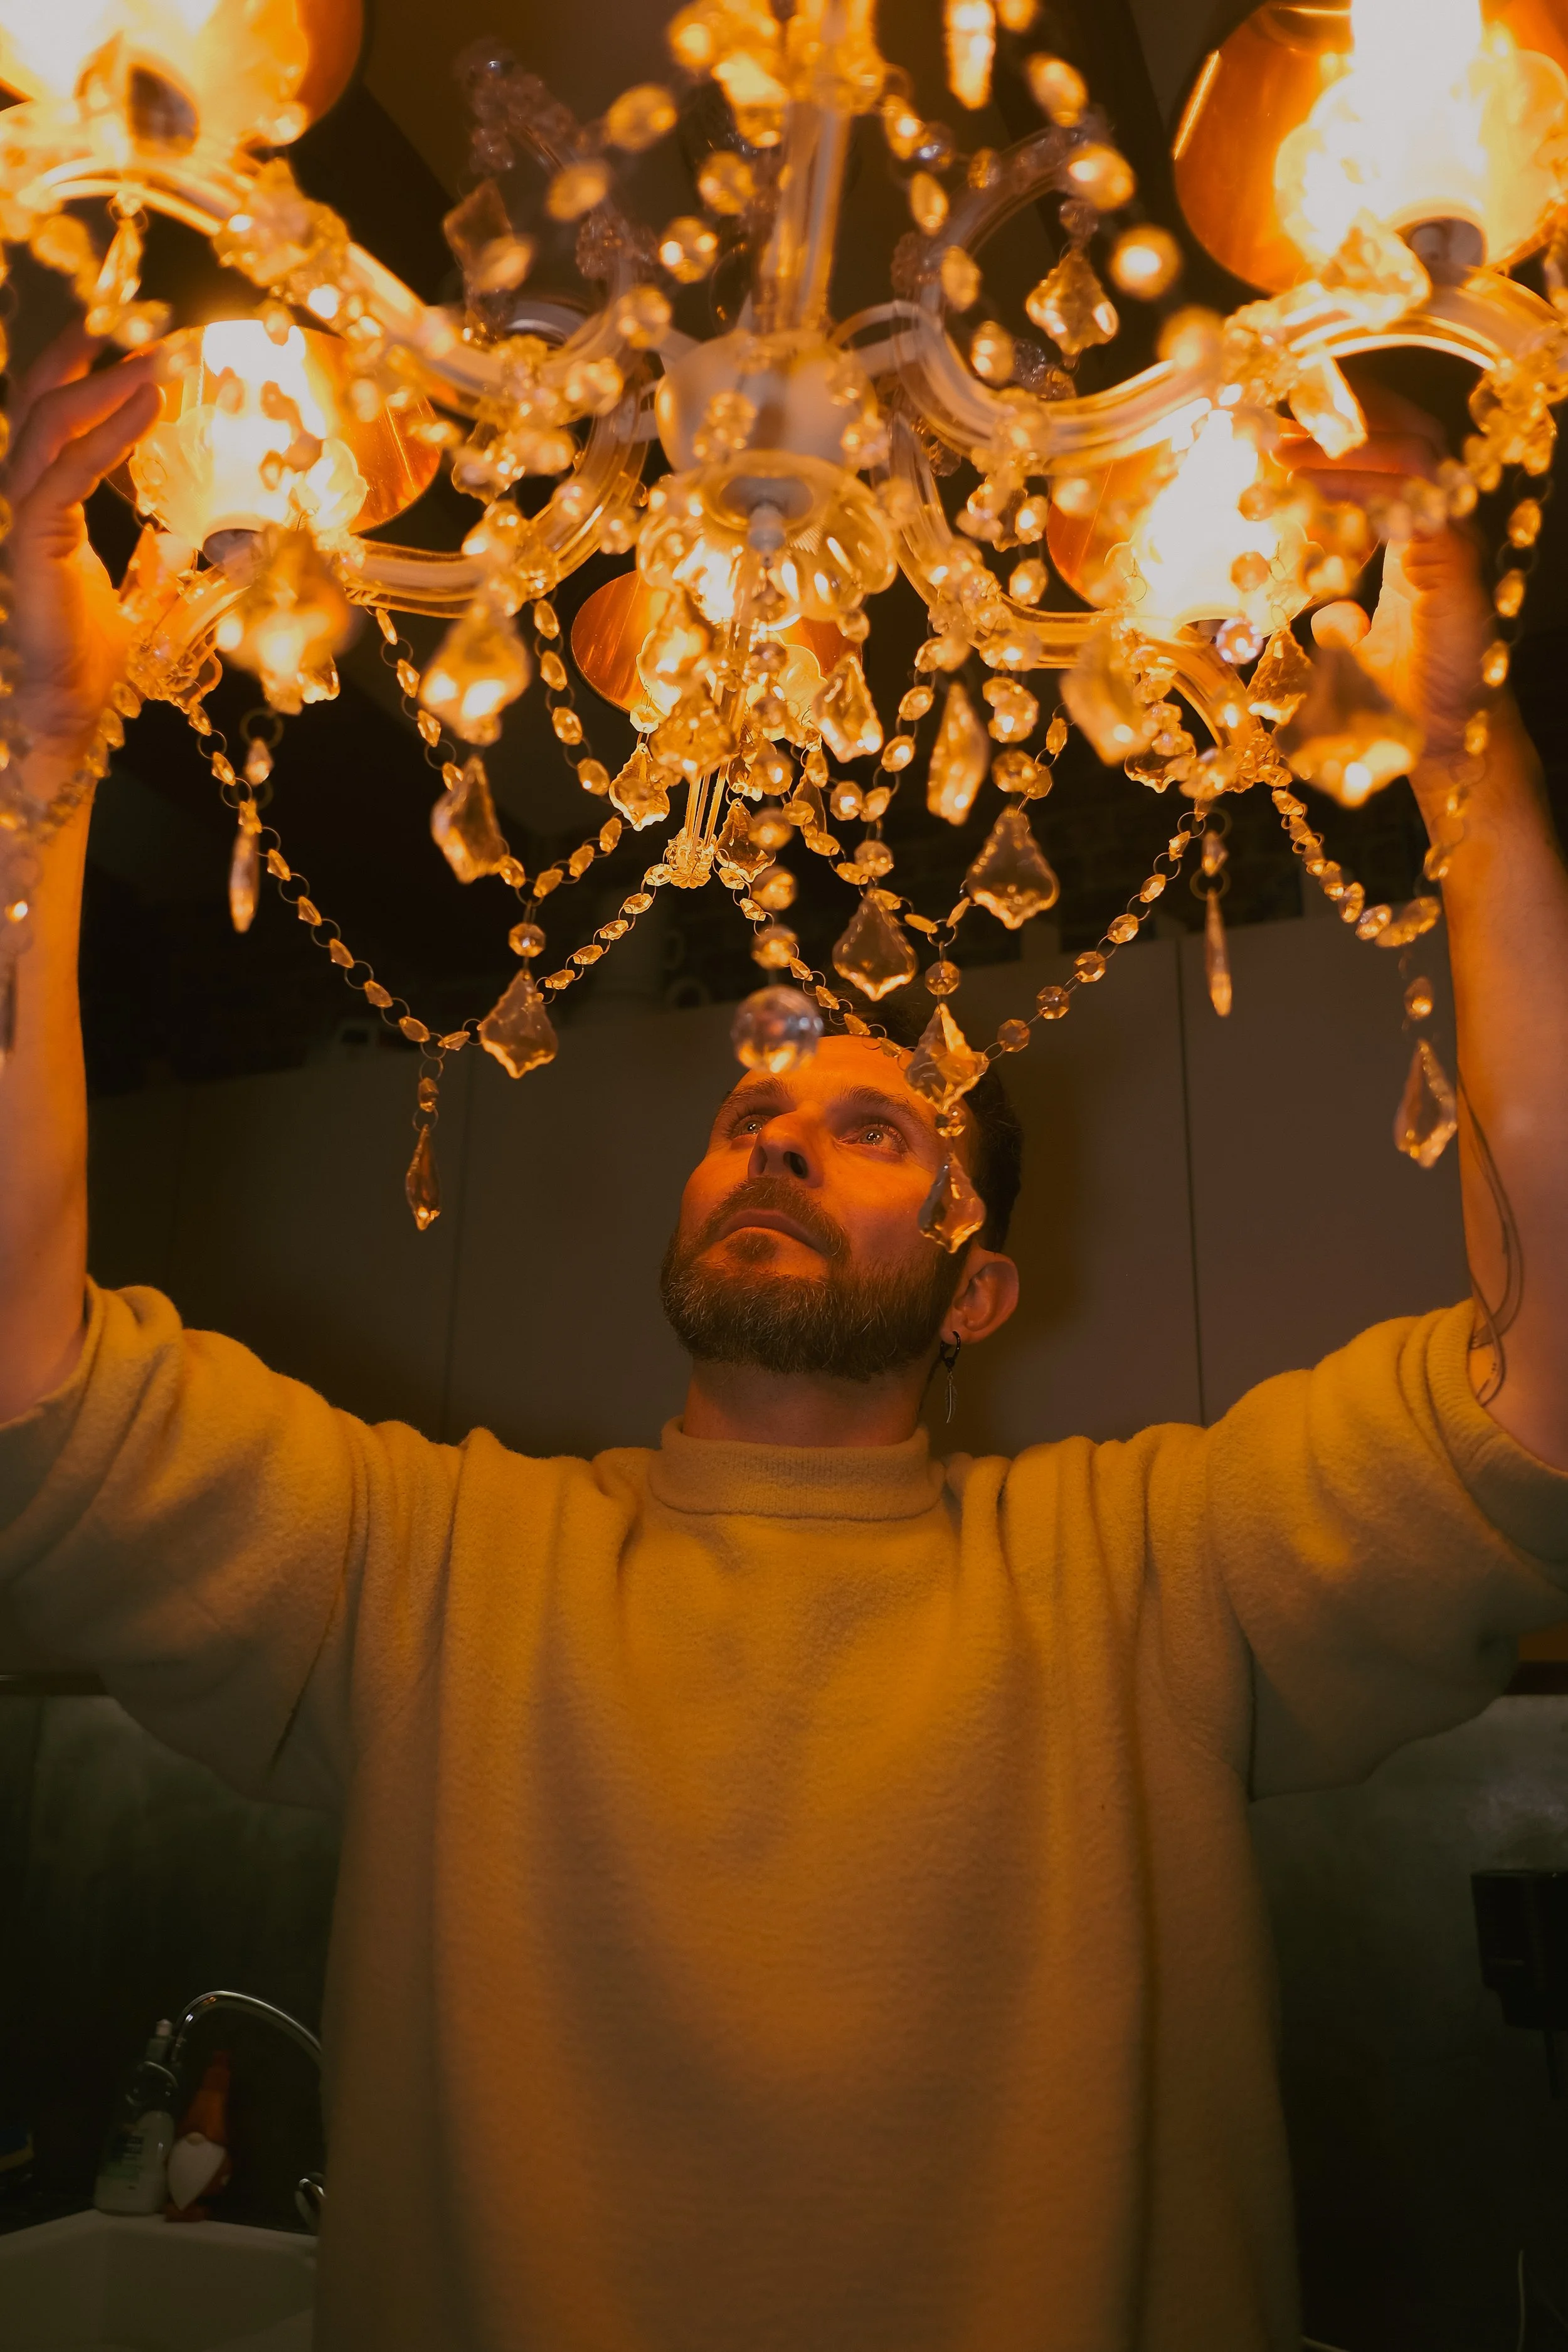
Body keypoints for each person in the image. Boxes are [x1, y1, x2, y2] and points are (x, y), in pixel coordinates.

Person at [1, 326, 1566, 2352]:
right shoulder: (434, 1570)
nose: (778, 1134)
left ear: (978, 1284)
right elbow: (25, 1370)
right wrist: (36, 758)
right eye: (753, 1109)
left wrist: (1466, 765)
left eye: (872, 1126)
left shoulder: (1151, 1579)